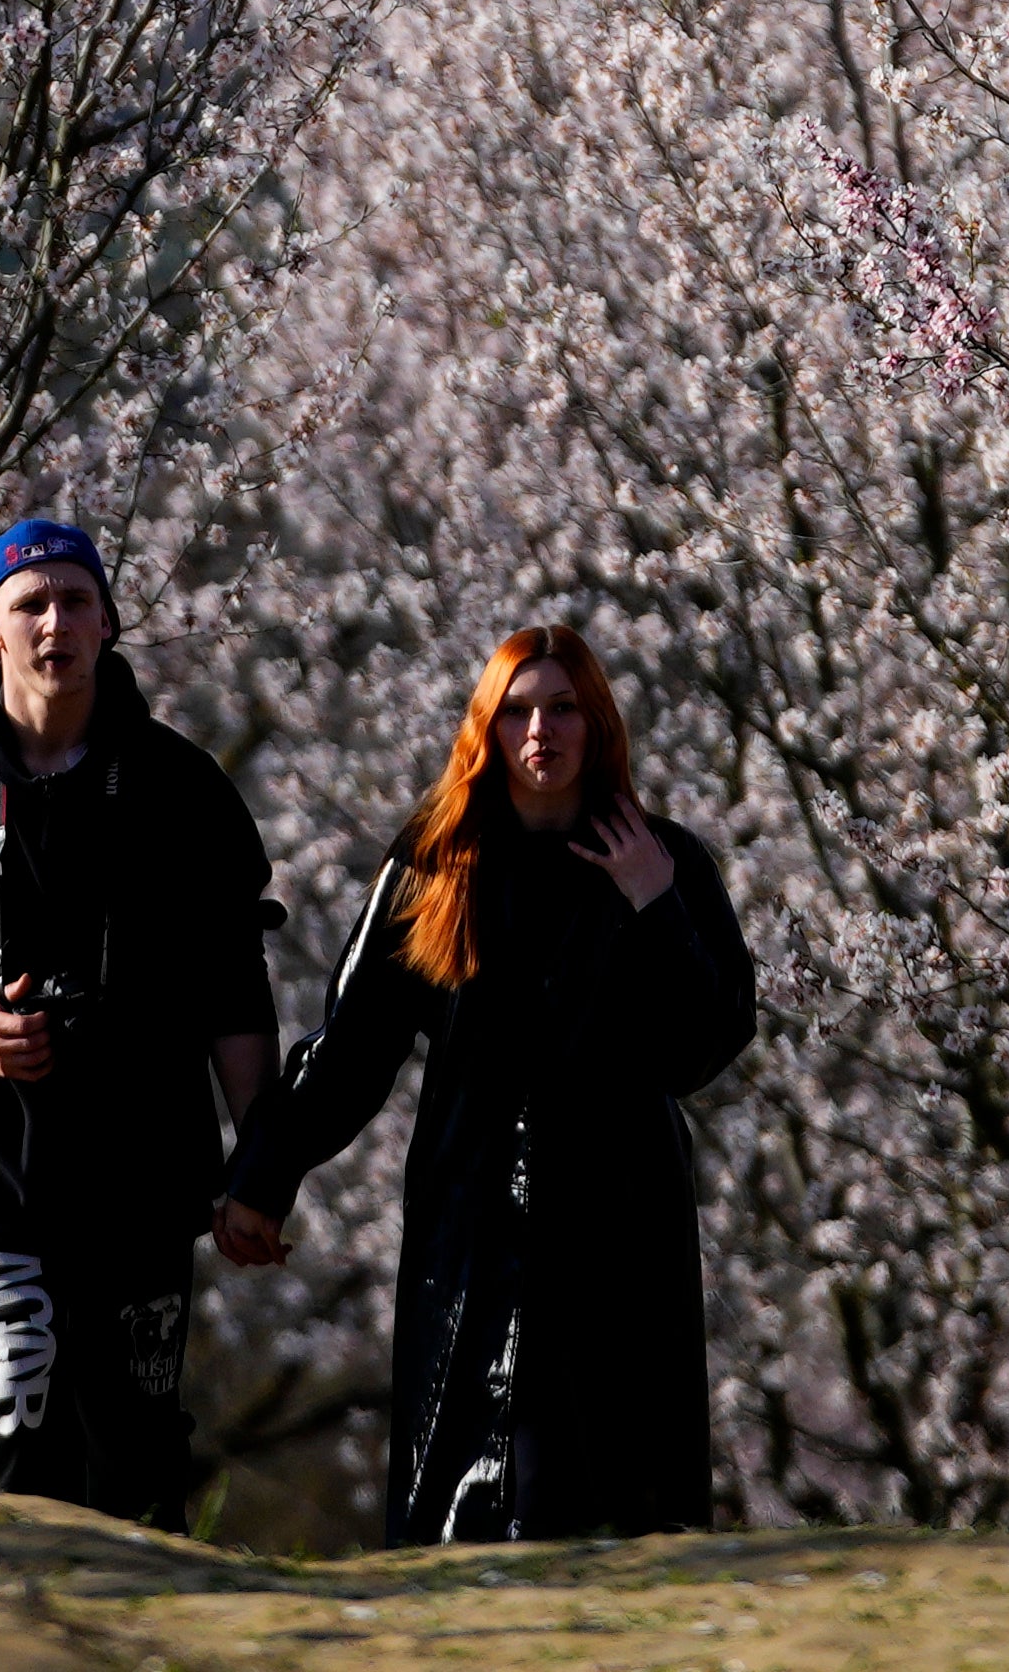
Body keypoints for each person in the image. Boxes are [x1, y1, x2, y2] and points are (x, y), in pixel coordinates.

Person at [210, 623, 756, 1544]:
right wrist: (262, 1178)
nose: (540, 731)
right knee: (470, 1495)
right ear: (486, 729)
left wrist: (653, 904)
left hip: (621, 1221)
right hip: (471, 1220)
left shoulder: (664, 861)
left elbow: (702, 1046)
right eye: (515, 712)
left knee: (613, 1497)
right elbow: (350, 1045)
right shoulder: (435, 865)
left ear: (597, 723)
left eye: (562, 709)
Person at [0, 516, 280, 1525]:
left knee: (135, 1424)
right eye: (30, 603)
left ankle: (143, 1629)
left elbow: (234, 990)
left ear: (108, 620)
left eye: (75, 600)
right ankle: (5, 1619)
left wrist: (257, 1164)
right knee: (20, 1401)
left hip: (147, 1160)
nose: (56, 621)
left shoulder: (180, 786)